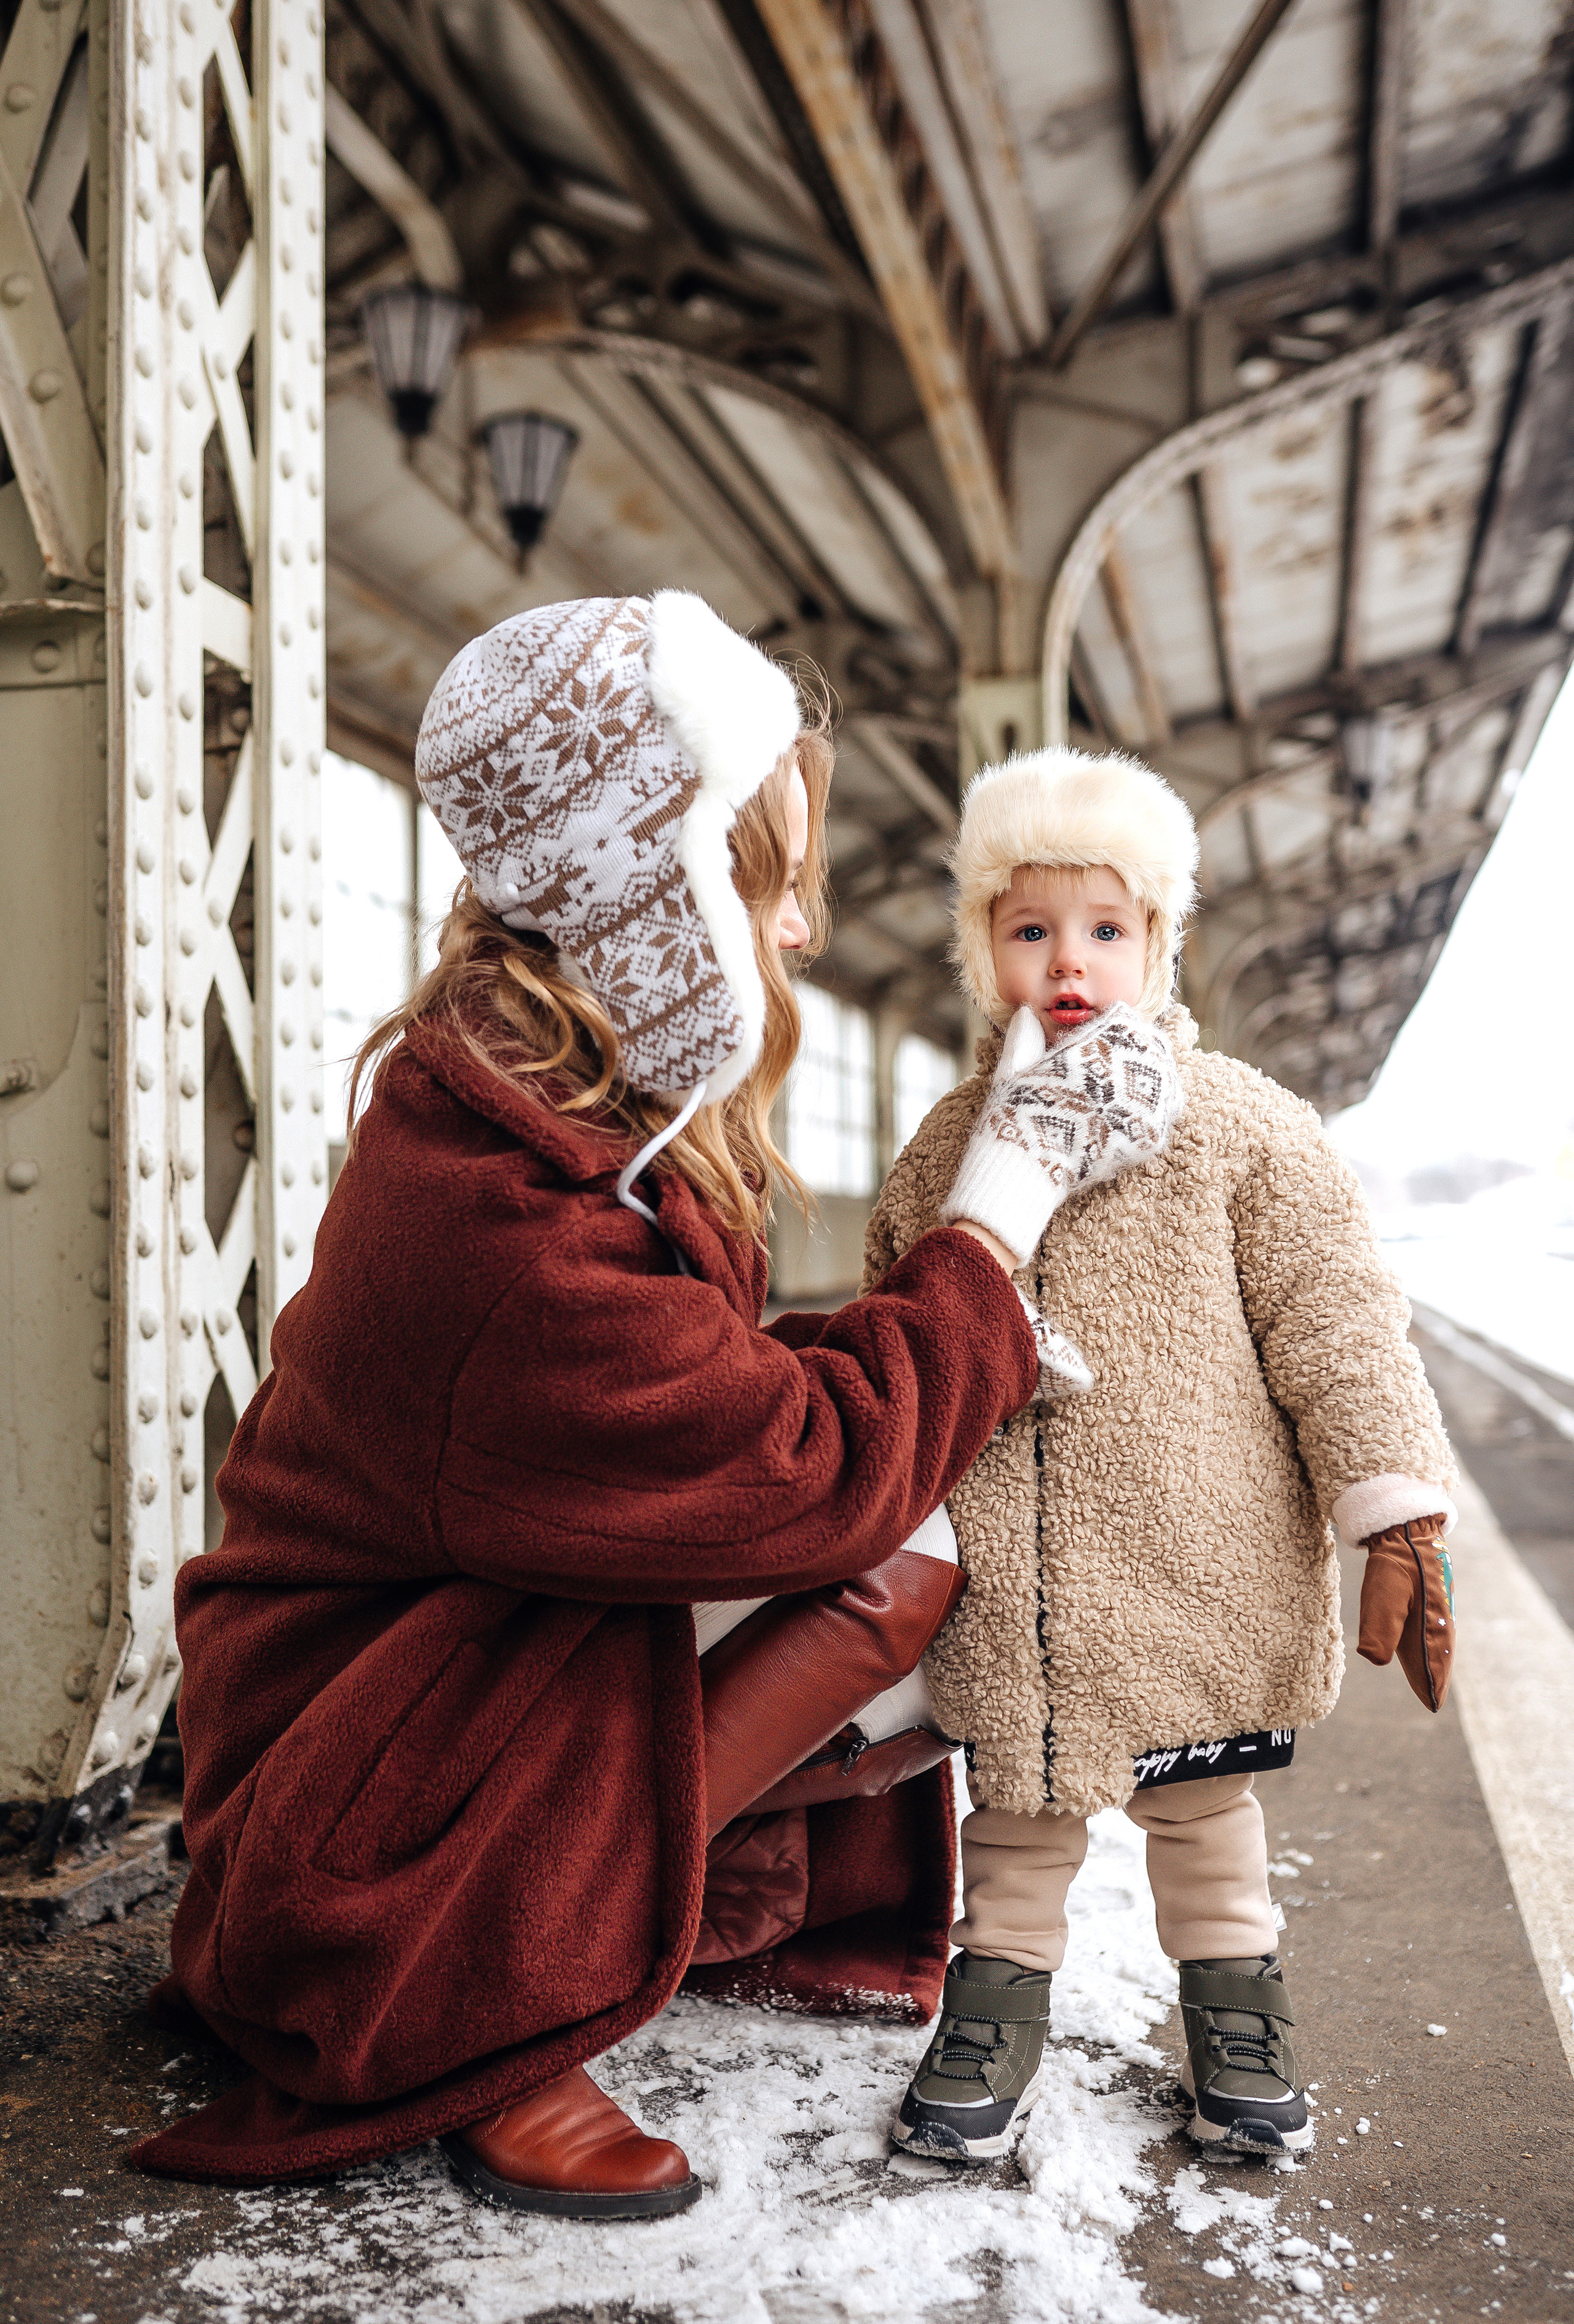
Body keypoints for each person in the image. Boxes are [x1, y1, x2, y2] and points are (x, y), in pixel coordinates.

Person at [129, 598, 1174, 2218]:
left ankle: (614, 1908)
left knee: (950, 1492)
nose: (803, 933)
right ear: (650, 891)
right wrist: (1000, 1212)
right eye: (769, 882)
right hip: (346, 1838)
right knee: (904, 1547)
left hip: (422, 1692)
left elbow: (697, 1407)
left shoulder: (541, 1104)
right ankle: (495, 2001)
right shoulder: (508, 1224)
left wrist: (971, 1336)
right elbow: (799, 1468)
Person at [863, 745, 1458, 2163]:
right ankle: (994, 2007)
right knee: (1015, 1817)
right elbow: (899, 1321)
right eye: (1027, 929)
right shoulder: (946, 1143)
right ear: (982, 949)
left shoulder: (1244, 1128)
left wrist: (1391, 1510)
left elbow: (1336, 1325)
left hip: (1200, 1561)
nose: (1066, 962)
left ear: (1158, 942)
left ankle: (1234, 2014)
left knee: (1201, 1817)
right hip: (1021, 1582)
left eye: (1104, 928)